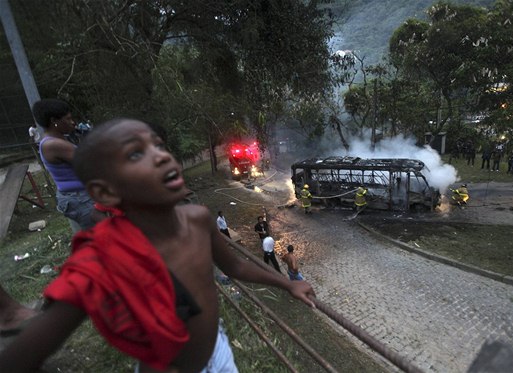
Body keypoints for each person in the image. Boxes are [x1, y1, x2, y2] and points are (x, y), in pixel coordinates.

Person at [0, 118, 315, 372]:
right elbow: (24, 353)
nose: (162, 155)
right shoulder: (102, 260)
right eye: (136, 154)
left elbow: (235, 266)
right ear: (105, 192)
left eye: (159, 145)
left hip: (218, 353)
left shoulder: (198, 219)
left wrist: (288, 285)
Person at [32, 98, 95, 232]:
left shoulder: (61, 138)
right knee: (106, 237)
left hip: (79, 195)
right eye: (68, 119)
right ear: (54, 121)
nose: (73, 122)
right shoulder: (53, 144)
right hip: (80, 198)